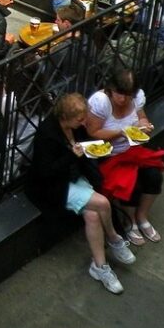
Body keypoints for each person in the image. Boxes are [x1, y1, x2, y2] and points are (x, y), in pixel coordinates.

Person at [25, 93, 136, 295]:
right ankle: (114, 238)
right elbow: (46, 171)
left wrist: (91, 150)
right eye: (80, 119)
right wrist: (71, 155)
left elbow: (85, 145)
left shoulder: (76, 128)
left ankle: (100, 266)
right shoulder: (47, 134)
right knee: (102, 203)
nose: (84, 122)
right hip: (53, 187)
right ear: (66, 117)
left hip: (74, 178)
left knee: (92, 215)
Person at [85, 70, 164, 246]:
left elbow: (142, 117)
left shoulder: (137, 99)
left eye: (128, 95)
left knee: (154, 176)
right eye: (119, 94)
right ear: (111, 89)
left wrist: (144, 126)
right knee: (131, 184)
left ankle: (142, 216)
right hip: (109, 154)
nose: (123, 99)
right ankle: (130, 221)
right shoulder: (101, 102)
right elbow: (93, 132)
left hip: (132, 150)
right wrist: (121, 132)